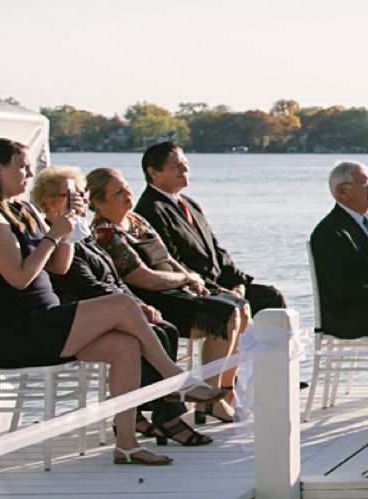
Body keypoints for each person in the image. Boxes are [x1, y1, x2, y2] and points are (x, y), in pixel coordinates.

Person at [0, 139, 217, 466]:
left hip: (44, 319)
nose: (29, 173)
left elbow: (59, 266)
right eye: (22, 167)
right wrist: (54, 234)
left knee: (124, 346)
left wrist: (69, 229)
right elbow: (20, 278)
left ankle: (126, 444)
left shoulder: (22, 210)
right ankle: (174, 379)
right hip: (11, 330)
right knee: (122, 305)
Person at [34, 165, 208, 447]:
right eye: (72, 196)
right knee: (147, 335)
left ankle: (145, 414)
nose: (79, 202)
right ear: (51, 201)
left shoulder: (81, 235)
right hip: (80, 314)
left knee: (165, 329)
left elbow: (113, 279)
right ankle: (168, 416)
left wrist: (137, 303)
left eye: (80, 195)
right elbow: (84, 285)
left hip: (109, 305)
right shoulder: (58, 237)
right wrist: (133, 308)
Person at [86, 166, 251, 425]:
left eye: (127, 187)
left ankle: (223, 388)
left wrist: (192, 278)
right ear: (98, 202)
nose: (128, 195)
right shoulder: (106, 232)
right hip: (154, 298)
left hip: (176, 288)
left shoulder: (136, 220)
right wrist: (185, 278)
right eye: (118, 192)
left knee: (240, 306)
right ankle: (211, 397)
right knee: (224, 314)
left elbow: (168, 258)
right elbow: (144, 279)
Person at [132, 142, 287, 314]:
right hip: (194, 291)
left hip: (221, 284)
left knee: (271, 297)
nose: (185, 170)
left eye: (185, 163)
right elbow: (170, 260)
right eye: (176, 166)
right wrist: (219, 291)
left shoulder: (190, 204)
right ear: (153, 172)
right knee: (234, 307)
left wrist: (238, 283)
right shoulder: (150, 210)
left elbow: (217, 249)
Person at [311, 161, 368, 339]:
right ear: (342, 191)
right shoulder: (331, 232)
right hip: (354, 317)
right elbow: (347, 288)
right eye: (365, 184)